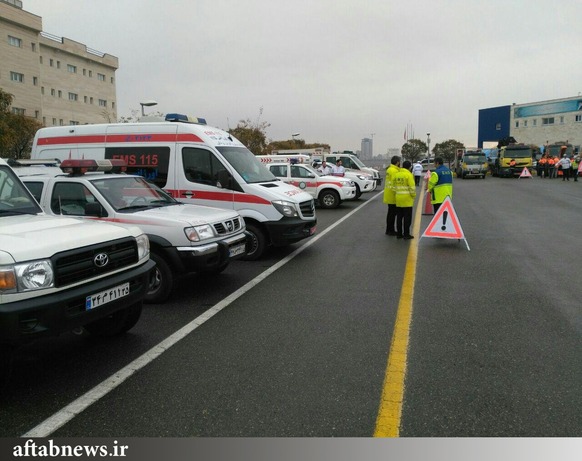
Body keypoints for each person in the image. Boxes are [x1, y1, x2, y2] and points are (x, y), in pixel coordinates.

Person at [392, 160, 416, 239]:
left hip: (398, 198)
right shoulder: (409, 175)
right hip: (407, 199)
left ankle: (399, 234)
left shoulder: (397, 174)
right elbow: (412, 187)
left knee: (399, 217)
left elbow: (393, 187)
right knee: (407, 217)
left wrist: (397, 193)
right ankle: (406, 234)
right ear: (409, 167)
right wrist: (413, 195)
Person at [383, 156, 401, 235]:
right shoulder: (394, 171)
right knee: (392, 214)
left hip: (388, 193)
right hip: (393, 194)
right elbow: (395, 182)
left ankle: (389, 229)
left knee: (390, 213)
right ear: (397, 162)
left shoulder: (389, 169)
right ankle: (391, 230)